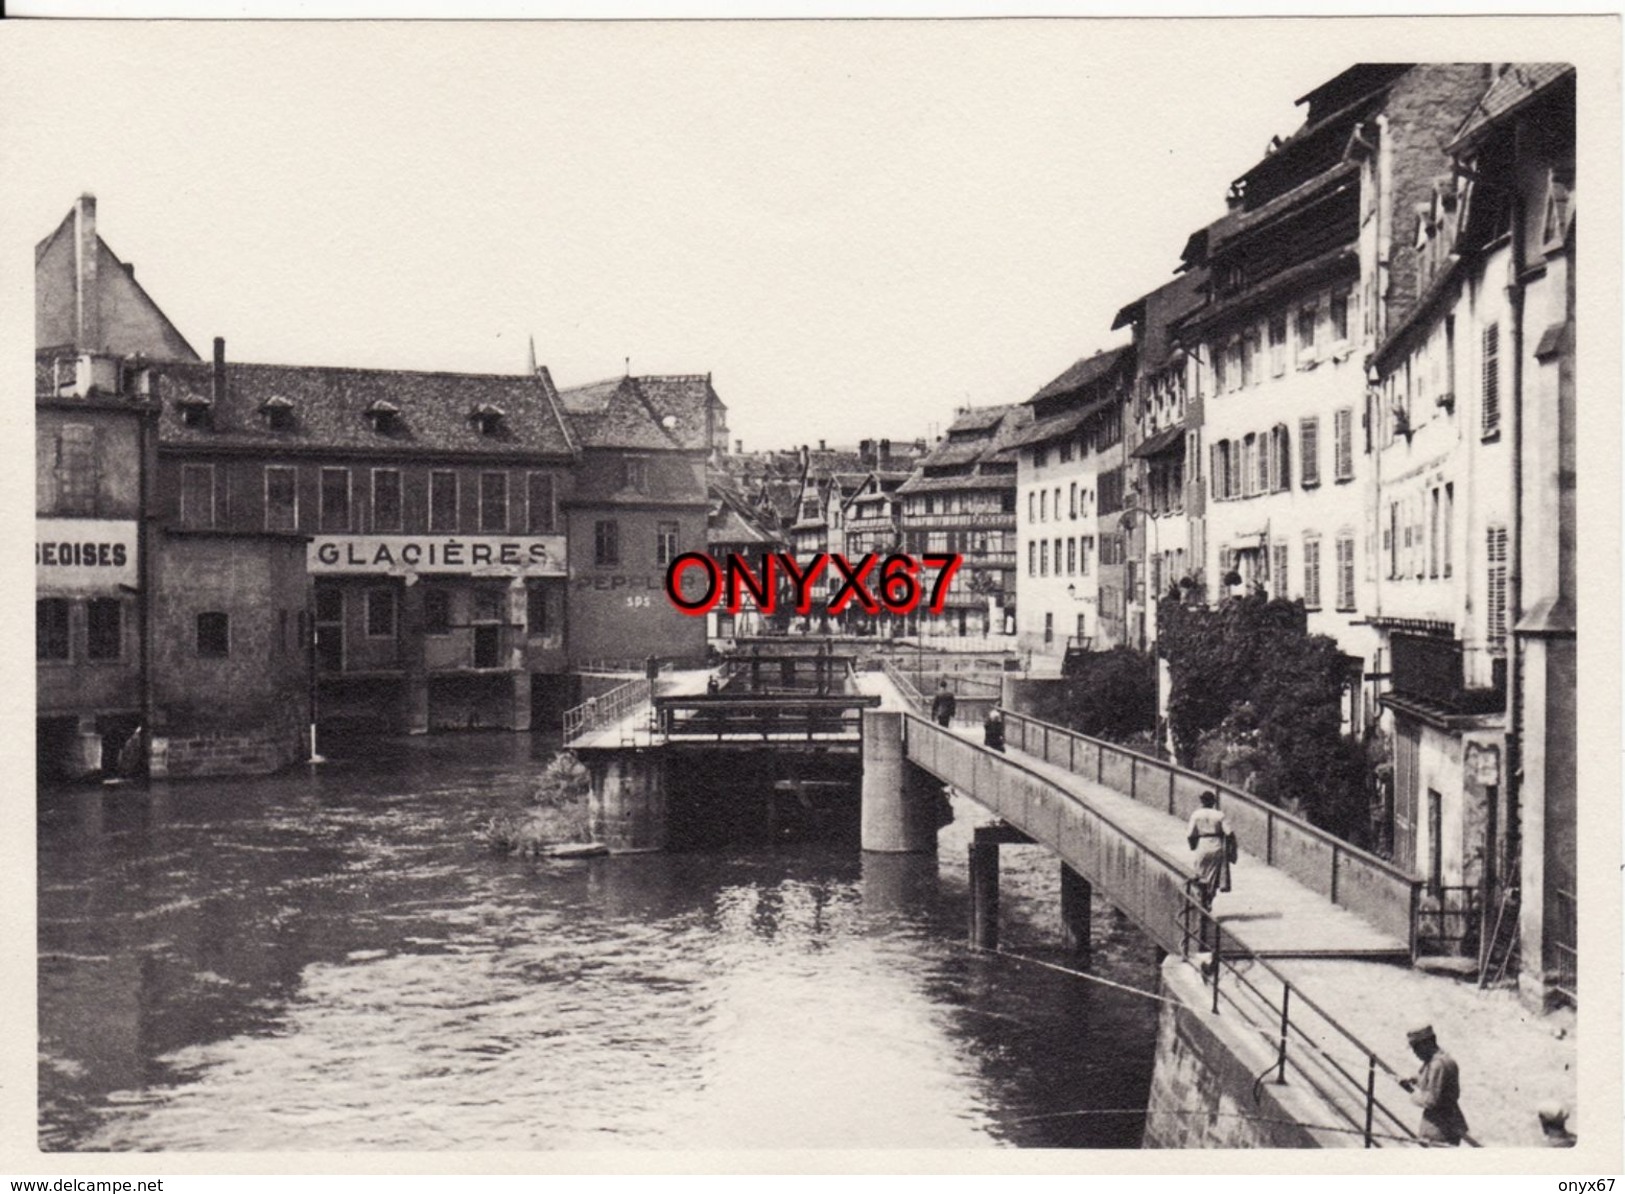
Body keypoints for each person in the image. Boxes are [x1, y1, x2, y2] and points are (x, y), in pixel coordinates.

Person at [1399, 1025, 1469, 1146]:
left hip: (1439, 1129)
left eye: (1416, 1048)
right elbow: (1435, 1083)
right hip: (1446, 1125)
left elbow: (1431, 1100)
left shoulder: (1437, 1065)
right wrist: (1415, 1079)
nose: (1415, 1053)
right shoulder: (1443, 1060)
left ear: (1426, 1044)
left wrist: (1412, 1093)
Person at [1185, 791, 1233, 916]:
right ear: (1213, 802)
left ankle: (1202, 898)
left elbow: (1190, 834)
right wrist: (1231, 849)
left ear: (1201, 801)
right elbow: (1229, 833)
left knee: (1200, 873)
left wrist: (1192, 846)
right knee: (1213, 875)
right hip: (1217, 845)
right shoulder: (1219, 815)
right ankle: (1209, 900)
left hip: (1202, 844)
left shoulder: (1196, 814)